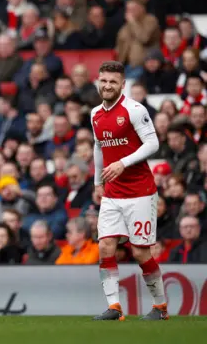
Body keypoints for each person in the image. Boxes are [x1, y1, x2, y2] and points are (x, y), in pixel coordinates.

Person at [90, 61, 166, 321]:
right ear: (98, 82)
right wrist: (97, 183)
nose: (107, 85)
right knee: (105, 246)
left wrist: (123, 162)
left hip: (140, 191)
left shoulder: (134, 110)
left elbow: (153, 143)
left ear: (123, 84)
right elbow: (99, 147)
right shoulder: (95, 114)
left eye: (113, 81)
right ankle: (114, 308)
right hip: (112, 193)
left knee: (140, 252)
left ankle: (160, 307)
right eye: (104, 81)